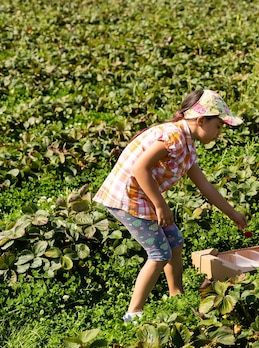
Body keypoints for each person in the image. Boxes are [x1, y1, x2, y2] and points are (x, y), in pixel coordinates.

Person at [94, 89, 248, 322]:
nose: (219, 132)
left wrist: (233, 214)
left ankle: (177, 295)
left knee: (175, 242)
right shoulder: (173, 136)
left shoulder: (187, 146)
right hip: (126, 198)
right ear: (201, 121)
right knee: (159, 253)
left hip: (143, 195)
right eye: (218, 126)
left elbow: (206, 187)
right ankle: (133, 314)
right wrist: (160, 205)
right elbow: (139, 169)